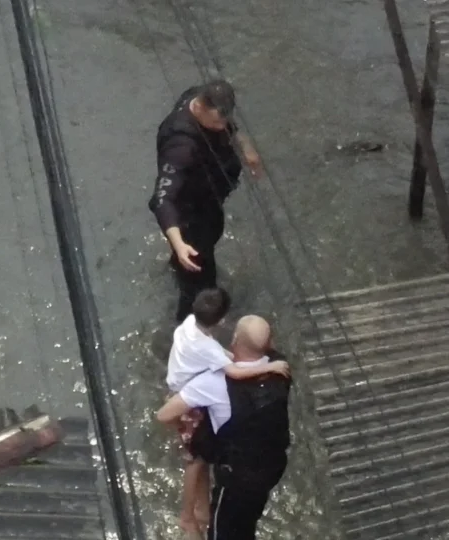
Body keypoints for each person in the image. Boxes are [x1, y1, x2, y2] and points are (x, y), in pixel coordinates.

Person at [158, 315, 291, 540]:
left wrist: (185, 428)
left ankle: (195, 519)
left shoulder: (213, 382)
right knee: (248, 518)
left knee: (224, 532)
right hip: (272, 466)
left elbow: (164, 415)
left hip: (237, 478)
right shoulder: (281, 368)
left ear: (235, 338)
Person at [148, 80, 264, 322]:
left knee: (209, 240)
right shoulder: (181, 147)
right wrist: (179, 243)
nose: (221, 127)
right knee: (200, 283)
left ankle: (176, 265)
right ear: (199, 107)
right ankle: (190, 328)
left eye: (224, 121)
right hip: (191, 215)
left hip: (211, 198)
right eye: (215, 123)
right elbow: (163, 198)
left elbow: (230, 125)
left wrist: (246, 146)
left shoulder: (198, 95)